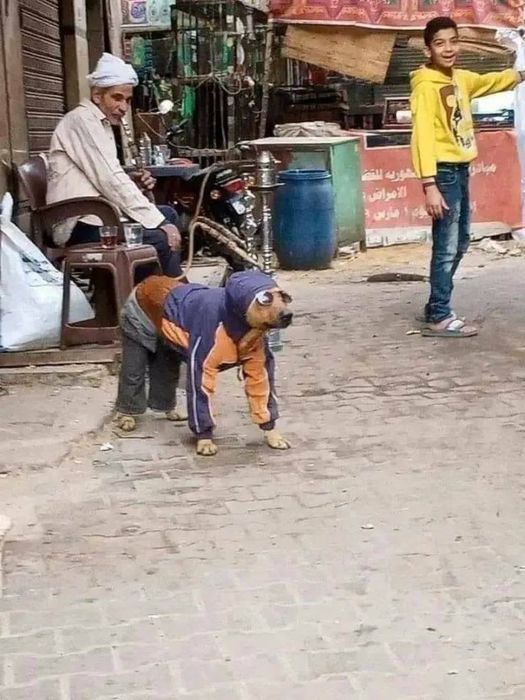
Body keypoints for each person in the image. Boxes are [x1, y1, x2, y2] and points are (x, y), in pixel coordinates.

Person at [411, 16, 524, 338]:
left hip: (460, 170)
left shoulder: (461, 79)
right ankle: (439, 315)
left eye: (453, 41)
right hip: (443, 172)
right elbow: (422, 137)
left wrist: (520, 74)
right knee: (447, 246)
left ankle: (436, 305)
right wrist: (429, 185)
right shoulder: (425, 86)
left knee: (459, 243)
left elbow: (493, 81)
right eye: (439, 43)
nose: (448, 49)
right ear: (428, 49)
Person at [47, 52, 182, 277]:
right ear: (97, 96)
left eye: (127, 100)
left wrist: (134, 183)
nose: (123, 107)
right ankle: (164, 294)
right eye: (117, 98)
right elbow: (109, 178)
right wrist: (159, 222)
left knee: (169, 215)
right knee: (160, 236)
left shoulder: (100, 123)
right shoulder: (82, 120)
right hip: (77, 223)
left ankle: (152, 290)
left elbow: (105, 175)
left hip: (97, 214)